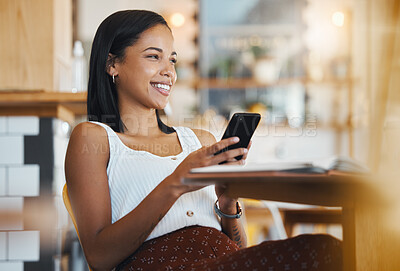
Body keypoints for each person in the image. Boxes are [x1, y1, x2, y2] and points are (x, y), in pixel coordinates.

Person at [65, 10, 342, 271]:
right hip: (162, 265)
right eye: (153, 57)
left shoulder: (199, 140)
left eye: (172, 59)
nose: (169, 72)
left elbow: (239, 249)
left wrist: (227, 201)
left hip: (221, 261)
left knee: (332, 251)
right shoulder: (95, 138)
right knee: (323, 251)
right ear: (112, 64)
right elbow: (99, 257)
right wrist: (177, 182)